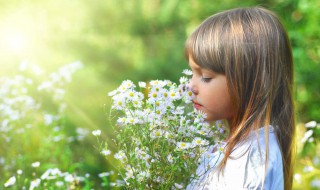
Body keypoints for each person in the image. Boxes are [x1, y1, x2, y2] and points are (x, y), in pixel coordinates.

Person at [185, 7, 295, 190]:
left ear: (250, 81)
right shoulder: (244, 150)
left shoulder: (252, 162)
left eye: (205, 76)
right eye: (192, 73)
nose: (190, 87)